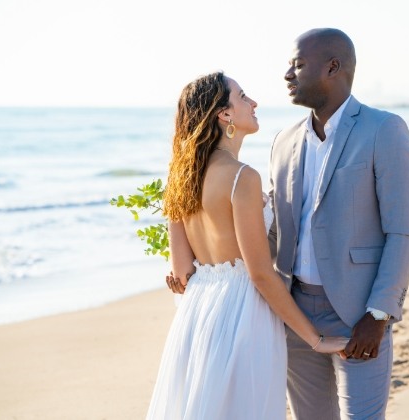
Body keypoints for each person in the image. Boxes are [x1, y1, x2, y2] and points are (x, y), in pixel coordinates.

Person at [146, 71, 347, 420]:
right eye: (243, 97)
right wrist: (315, 340)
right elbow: (260, 275)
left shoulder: (180, 178)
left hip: (198, 313)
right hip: (243, 313)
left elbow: (181, 272)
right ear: (224, 114)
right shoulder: (242, 176)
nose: (253, 103)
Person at [267, 28, 409, 419]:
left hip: (359, 314)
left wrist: (379, 314)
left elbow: (403, 231)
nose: (287, 74)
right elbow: (275, 231)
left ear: (332, 66)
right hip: (295, 315)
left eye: (298, 65)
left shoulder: (383, 129)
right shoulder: (282, 142)